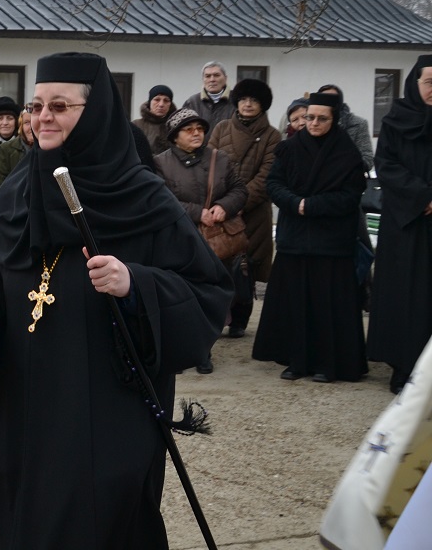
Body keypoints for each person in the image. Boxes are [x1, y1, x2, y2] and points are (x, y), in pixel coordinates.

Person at [0, 52, 231, 549]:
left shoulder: (143, 196)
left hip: (105, 412)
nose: (43, 117)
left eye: (60, 106)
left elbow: (207, 293)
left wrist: (135, 283)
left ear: (94, 113)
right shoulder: (18, 191)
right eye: (36, 106)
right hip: (25, 408)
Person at [252, 91, 368, 383]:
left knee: (328, 306)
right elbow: (274, 183)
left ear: (334, 119)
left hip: (331, 242)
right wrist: (295, 203)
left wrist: (312, 205)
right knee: (296, 303)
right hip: (295, 239)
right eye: (309, 117)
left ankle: (328, 364)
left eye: (321, 118)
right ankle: (297, 361)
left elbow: (350, 195)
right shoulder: (289, 148)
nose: (313, 123)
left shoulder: (347, 153)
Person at [154, 108, 247, 372]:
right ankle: (182, 349)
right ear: (175, 136)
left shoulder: (220, 159)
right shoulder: (160, 163)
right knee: (182, 296)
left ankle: (204, 350)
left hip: (215, 241)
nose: (196, 133)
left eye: (200, 129)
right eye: (189, 129)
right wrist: (197, 213)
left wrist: (224, 206)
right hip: (178, 239)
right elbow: (160, 197)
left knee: (211, 296)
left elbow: (240, 189)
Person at [367, 55, 432, 394]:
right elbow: (386, 165)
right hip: (406, 224)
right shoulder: (396, 120)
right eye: (430, 82)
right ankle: (403, 366)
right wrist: (422, 197)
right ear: (414, 83)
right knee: (406, 294)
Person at [209, 78, 281, 338]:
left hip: (253, 212)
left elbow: (266, 176)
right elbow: (210, 165)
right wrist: (222, 201)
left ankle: (240, 320)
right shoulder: (221, 128)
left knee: (246, 265)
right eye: (243, 100)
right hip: (220, 209)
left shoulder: (272, 135)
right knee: (219, 262)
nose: (248, 104)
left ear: (263, 105)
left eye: (254, 100)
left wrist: (238, 203)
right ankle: (218, 316)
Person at [316, 83, 374, 171]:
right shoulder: (312, 124)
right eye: (324, 98)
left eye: (333, 98)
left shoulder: (358, 124)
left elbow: (368, 160)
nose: (328, 102)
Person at [182, 61, 235, 133]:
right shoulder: (192, 103)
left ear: (225, 78)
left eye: (216, 75)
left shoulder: (236, 100)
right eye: (207, 76)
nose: (212, 80)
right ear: (203, 80)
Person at [0, 108, 33, 194]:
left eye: (35, 121)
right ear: (21, 125)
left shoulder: (50, 148)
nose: (31, 127)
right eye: (27, 123)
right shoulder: (6, 149)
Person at [132, 84, 177, 154]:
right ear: (150, 102)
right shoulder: (136, 125)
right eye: (157, 100)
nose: (161, 104)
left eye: (166, 100)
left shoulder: (175, 126)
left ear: (170, 104)